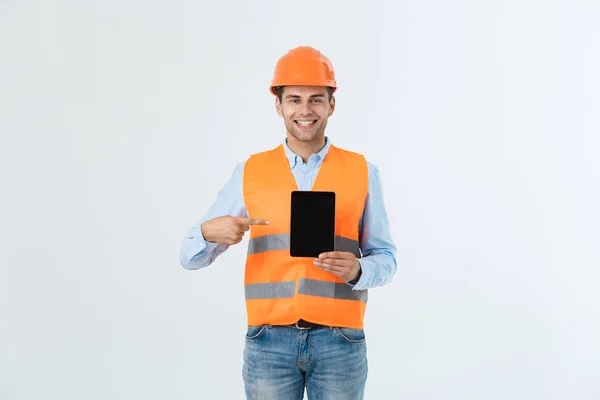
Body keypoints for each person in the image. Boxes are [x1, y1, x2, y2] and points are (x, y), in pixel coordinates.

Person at [179, 46, 397, 400]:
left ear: (331, 105)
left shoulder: (362, 171)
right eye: (294, 99)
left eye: (316, 99)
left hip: (340, 341)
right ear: (278, 105)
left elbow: (387, 258)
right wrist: (207, 233)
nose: (305, 110)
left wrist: (359, 269)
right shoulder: (250, 172)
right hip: (268, 343)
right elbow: (189, 258)